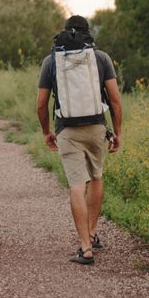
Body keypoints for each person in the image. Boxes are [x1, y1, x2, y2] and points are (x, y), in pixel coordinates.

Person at [36, 15, 122, 264]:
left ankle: (85, 247)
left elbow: (41, 105)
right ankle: (93, 232)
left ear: (64, 32)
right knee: (96, 177)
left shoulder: (51, 61)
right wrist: (118, 132)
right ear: (88, 33)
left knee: (76, 184)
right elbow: (115, 100)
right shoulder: (101, 58)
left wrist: (46, 132)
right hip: (96, 127)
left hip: (67, 130)